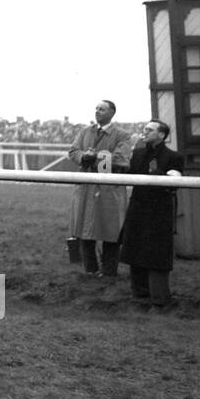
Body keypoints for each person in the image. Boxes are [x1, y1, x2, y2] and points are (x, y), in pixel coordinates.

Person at [119, 120, 184, 309]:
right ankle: (139, 296)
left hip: (159, 211)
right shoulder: (138, 154)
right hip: (138, 209)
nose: (144, 132)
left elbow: (175, 182)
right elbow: (130, 174)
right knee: (135, 250)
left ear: (162, 135)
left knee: (157, 254)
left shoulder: (174, 157)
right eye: (144, 129)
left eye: (149, 130)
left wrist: (160, 174)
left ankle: (160, 299)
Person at [66, 100, 132, 276]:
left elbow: (122, 159)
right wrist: (83, 157)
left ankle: (109, 271)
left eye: (102, 109)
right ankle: (91, 270)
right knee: (85, 229)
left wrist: (94, 156)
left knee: (111, 231)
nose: (97, 111)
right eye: (96, 109)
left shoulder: (122, 135)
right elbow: (73, 152)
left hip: (110, 189)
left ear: (112, 113)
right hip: (86, 188)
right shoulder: (85, 131)